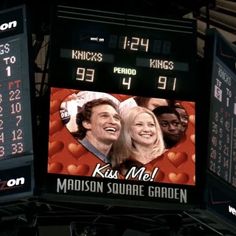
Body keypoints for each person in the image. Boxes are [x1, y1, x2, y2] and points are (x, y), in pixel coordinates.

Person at [112, 106, 165, 176]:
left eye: (151, 125)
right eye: (139, 124)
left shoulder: (167, 156)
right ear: (127, 130)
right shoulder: (121, 163)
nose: (146, 129)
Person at [73, 98, 122, 163]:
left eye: (116, 118)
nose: (113, 121)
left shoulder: (117, 163)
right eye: (104, 116)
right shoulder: (72, 156)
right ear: (87, 123)